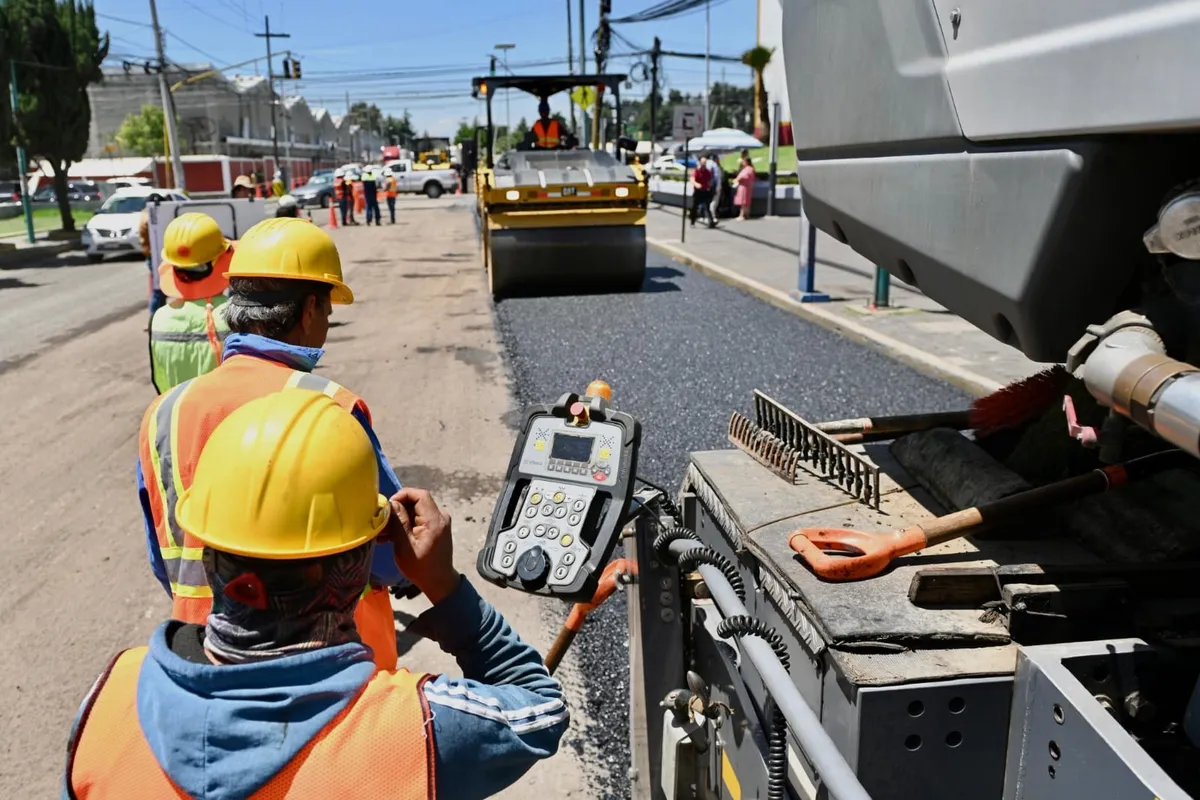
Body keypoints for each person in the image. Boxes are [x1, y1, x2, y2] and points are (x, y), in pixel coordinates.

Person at [68, 390, 569, 799]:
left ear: (209, 548)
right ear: (355, 567)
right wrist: (445, 587)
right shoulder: (415, 731)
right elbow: (539, 709)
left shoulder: (109, 701)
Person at [136, 217, 411, 670]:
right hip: (330, 661)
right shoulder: (329, 407)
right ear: (308, 311)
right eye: (327, 310)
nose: (325, 322)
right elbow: (387, 551)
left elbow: (159, 551)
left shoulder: (163, 413)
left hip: (203, 654)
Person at [150, 213, 233, 394]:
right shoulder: (237, 315)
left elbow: (161, 381)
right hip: (228, 419)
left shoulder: (159, 319)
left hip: (177, 417)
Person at [138, 198, 167, 327]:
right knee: (158, 289)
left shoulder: (145, 215)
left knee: (159, 289)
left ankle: (155, 319)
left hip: (153, 256)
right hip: (154, 257)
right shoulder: (150, 217)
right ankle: (154, 320)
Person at [690, 154, 716, 228]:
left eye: (705, 163)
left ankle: (711, 222)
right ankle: (692, 222)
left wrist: (710, 185)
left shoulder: (708, 172)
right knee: (695, 207)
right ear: (700, 163)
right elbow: (692, 179)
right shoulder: (697, 171)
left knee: (707, 207)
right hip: (698, 192)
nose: (704, 164)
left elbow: (710, 180)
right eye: (703, 163)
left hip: (705, 191)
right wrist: (696, 184)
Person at [733, 155, 757, 221]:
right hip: (747, 187)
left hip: (744, 187)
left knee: (743, 202)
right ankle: (746, 214)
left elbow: (743, 177)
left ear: (746, 162)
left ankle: (742, 215)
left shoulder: (748, 169)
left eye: (743, 161)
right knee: (746, 202)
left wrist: (736, 180)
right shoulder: (751, 169)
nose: (742, 163)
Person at [708, 152, 724, 225]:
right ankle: (712, 217)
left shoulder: (714, 166)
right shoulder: (715, 167)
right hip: (715, 187)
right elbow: (716, 178)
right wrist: (716, 188)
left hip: (715, 187)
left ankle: (711, 216)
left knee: (714, 203)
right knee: (714, 203)